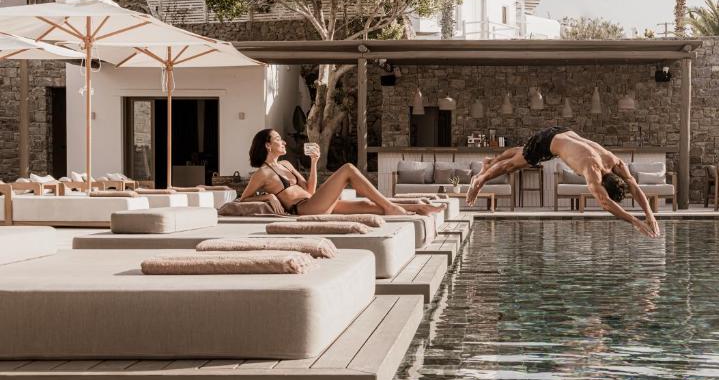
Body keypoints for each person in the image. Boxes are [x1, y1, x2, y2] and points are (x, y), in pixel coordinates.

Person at [467, 126, 661, 237]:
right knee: (513, 165)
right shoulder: (592, 171)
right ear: (603, 184)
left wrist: (650, 214)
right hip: (548, 143)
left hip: (563, 132)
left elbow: (634, 186)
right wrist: (635, 221)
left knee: (523, 151)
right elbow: (605, 202)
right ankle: (480, 179)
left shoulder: (614, 161)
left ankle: (490, 162)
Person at [239, 129, 443, 217]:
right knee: (348, 169)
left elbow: (310, 189)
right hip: (304, 209)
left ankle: (419, 207)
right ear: (267, 145)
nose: (283, 141)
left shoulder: (287, 165)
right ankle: (391, 207)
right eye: (278, 139)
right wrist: (268, 196)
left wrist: (314, 162)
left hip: (313, 201)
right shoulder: (263, 173)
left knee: (367, 205)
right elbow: (242, 200)